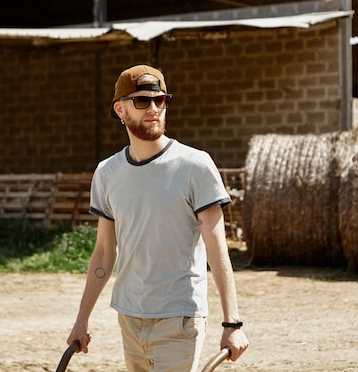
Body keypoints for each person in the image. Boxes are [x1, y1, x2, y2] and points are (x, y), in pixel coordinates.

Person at [66, 64, 249, 372]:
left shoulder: (195, 165)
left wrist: (232, 322)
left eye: (160, 100)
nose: (154, 108)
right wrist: (81, 320)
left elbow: (218, 249)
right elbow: (103, 253)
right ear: (120, 110)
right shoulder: (107, 173)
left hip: (179, 318)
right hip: (129, 317)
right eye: (142, 101)